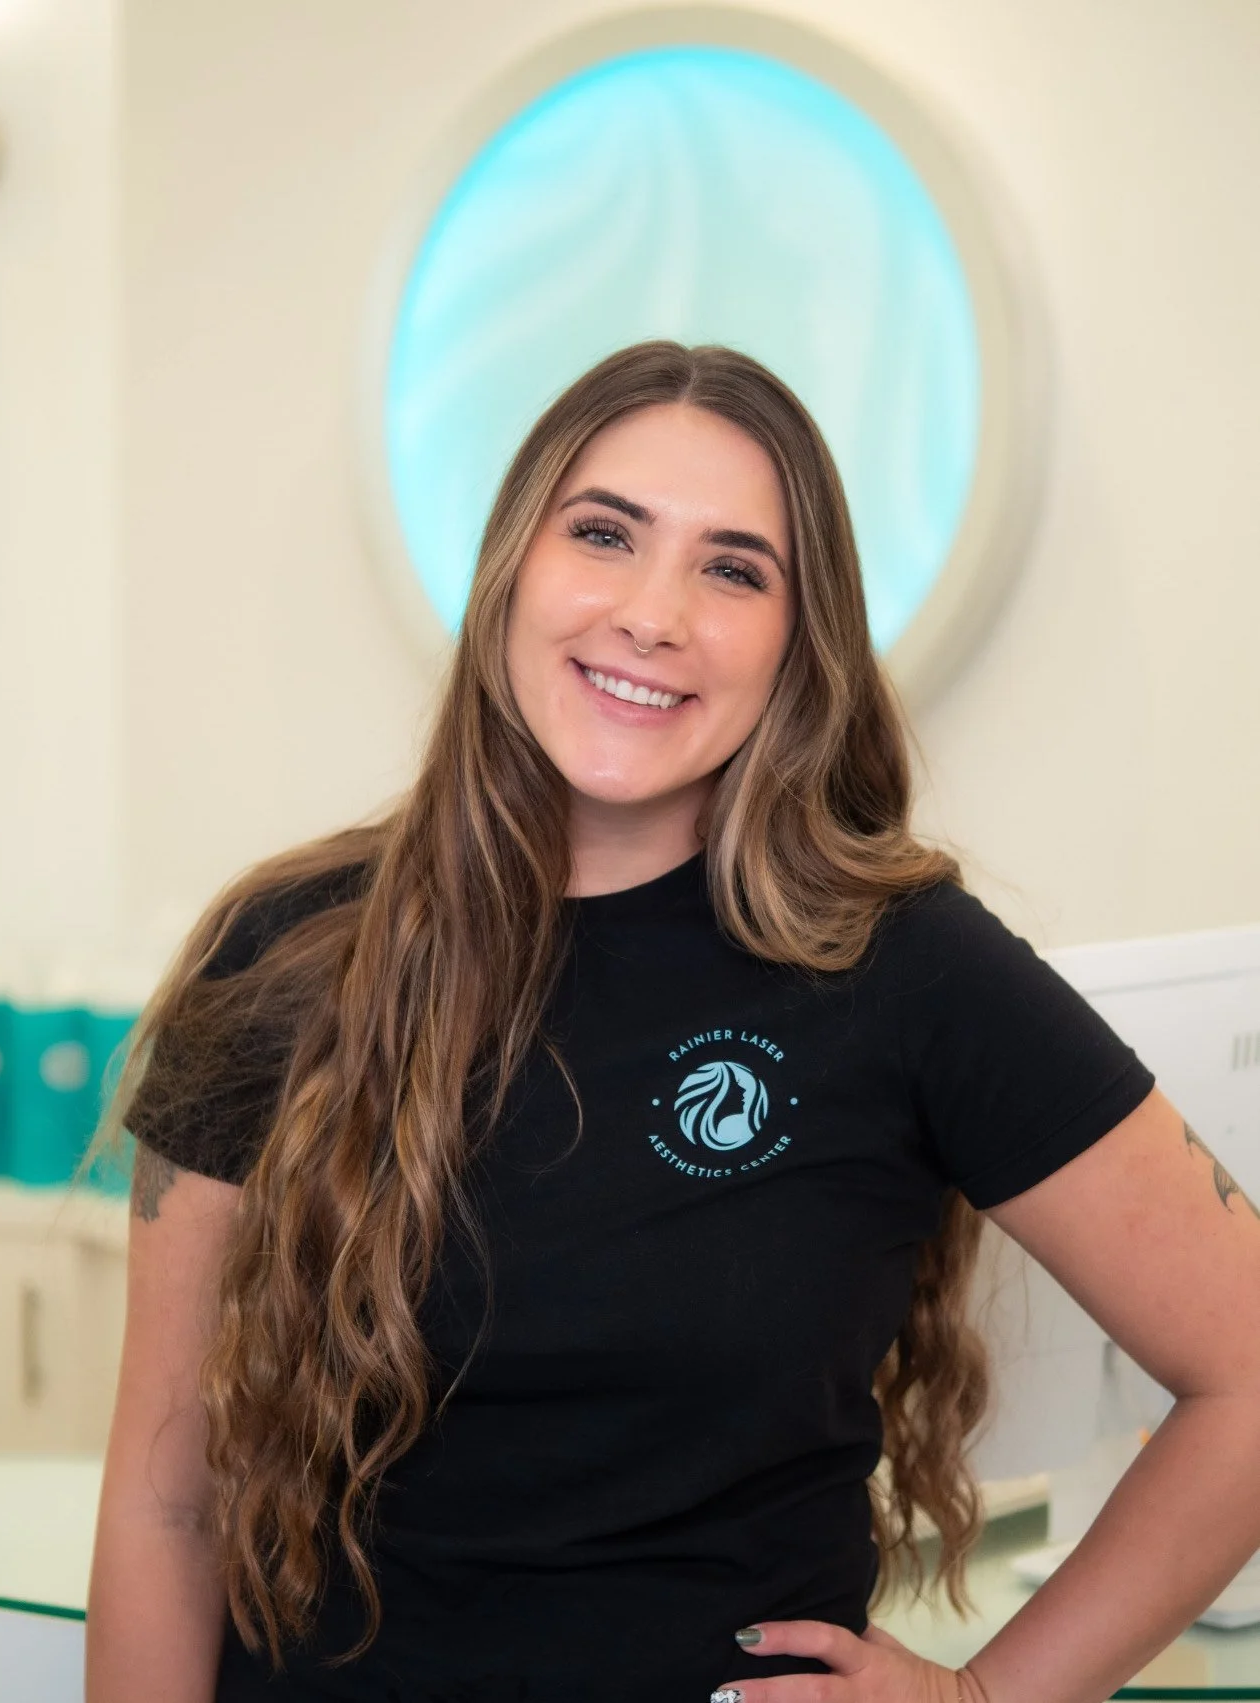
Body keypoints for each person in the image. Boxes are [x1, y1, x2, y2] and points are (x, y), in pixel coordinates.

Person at [82, 341, 1260, 1703]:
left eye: (734, 569)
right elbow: (169, 1498)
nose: (652, 614)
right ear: (511, 567)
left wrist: (981, 1697)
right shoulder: (285, 952)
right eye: (603, 534)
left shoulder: (903, 967)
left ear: (800, 644)